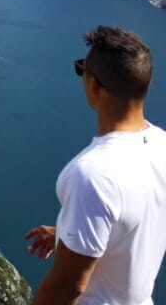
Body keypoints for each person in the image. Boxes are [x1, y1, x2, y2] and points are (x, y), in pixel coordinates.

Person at [25, 26, 166, 305]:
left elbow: (68, 286)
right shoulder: (162, 146)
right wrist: (66, 235)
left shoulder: (92, 174)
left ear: (94, 85)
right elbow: (134, 219)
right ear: (146, 85)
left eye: (82, 69)